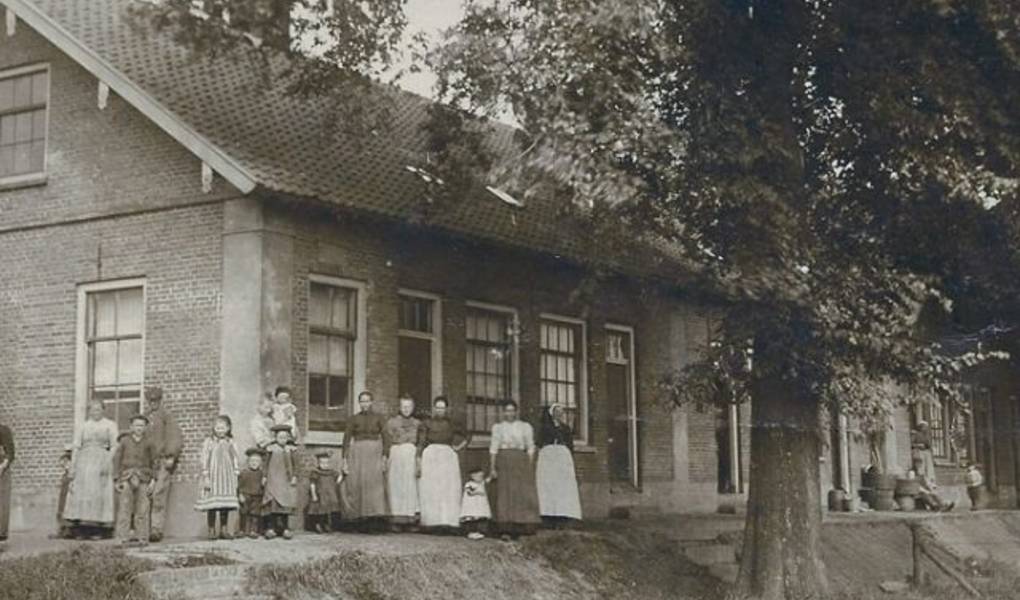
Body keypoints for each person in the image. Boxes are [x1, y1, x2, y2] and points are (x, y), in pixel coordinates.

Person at [64, 399, 118, 538]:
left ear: (103, 410)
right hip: (84, 461)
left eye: (98, 409)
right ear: (89, 411)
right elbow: (76, 446)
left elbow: (113, 446)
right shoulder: (83, 426)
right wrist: (73, 466)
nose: (96, 412)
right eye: (93, 409)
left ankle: (98, 529)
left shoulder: (110, 425)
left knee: (98, 494)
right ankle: (82, 529)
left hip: (101, 459)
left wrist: (107, 461)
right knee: (83, 494)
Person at [489, 400, 540, 540]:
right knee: (505, 492)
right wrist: (492, 467)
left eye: (512, 410)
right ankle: (505, 527)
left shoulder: (525, 427)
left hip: (520, 461)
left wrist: (529, 464)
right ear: (503, 412)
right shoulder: (498, 427)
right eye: (507, 410)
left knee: (520, 493)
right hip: (504, 460)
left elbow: (530, 447)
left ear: (516, 412)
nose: (509, 413)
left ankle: (520, 526)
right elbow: (493, 448)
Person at [417, 396, 469, 531]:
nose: (440, 410)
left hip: (447, 456)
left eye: (442, 408)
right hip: (431, 455)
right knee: (432, 488)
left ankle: (447, 522)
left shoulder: (452, 423)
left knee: (447, 488)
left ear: (446, 409)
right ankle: (431, 523)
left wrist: (458, 447)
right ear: (434, 408)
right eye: (437, 407)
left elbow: (467, 436)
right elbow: (421, 443)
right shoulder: (426, 423)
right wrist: (419, 458)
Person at [341, 391, 389, 530]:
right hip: (358, 454)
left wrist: (385, 456)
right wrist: (344, 459)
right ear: (359, 403)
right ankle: (359, 520)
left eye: (367, 401)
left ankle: (373, 521)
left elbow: (386, 438)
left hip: (375, 453)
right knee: (357, 484)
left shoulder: (379, 418)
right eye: (362, 401)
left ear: (371, 402)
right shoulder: (353, 419)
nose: (365, 404)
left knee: (374, 486)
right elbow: (346, 439)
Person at [145, 386, 183, 543]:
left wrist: (171, 455)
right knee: (145, 493)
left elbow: (174, 436)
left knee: (158, 493)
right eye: (150, 400)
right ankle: (142, 528)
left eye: (156, 400)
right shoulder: (145, 418)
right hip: (146, 462)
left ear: (161, 400)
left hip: (161, 460)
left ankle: (156, 528)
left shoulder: (167, 416)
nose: (153, 403)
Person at [113, 414, 158, 545]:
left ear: (145, 428)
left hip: (144, 478)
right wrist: (117, 479)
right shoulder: (124, 442)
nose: (139, 428)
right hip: (126, 477)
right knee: (124, 508)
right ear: (131, 427)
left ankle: (142, 537)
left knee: (143, 509)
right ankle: (122, 538)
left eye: (142, 425)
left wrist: (153, 480)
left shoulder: (150, 442)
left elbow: (155, 462)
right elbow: (117, 460)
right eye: (137, 425)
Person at [194, 415, 241, 540]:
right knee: (212, 504)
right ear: (214, 428)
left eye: (222, 428)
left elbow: (235, 458)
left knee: (224, 504)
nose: (220, 430)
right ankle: (211, 530)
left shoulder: (231, 442)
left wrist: (236, 473)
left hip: (226, 476)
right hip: (213, 476)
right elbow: (204, 458)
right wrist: (206, 475)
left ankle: (224, 529)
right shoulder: (209, 442)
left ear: (228, 428)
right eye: (217, 428)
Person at [536, 403, 583, 525]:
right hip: (548, 457)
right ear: (552, 413)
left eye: (561, 412)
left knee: (562, 486)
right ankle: (548, 516)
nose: (559, 414)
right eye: (557, 412)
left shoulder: (566, 429)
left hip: (562, 457)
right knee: (548, 485)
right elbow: (539, 443)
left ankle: (563, 516)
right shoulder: (545, 427)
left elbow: (570, 446)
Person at [386, 396, 421, 531]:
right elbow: (387, 440)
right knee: (396, 485)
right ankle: (396, 520)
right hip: (396, 454)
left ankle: (410, 520)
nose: (406, 409)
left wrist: (418, 458)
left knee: (410, 486)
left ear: (413, 408)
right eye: (404, 406)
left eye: (409, 406)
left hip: (410, 455)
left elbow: (420, 442)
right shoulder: (392, 422)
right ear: (399, 407)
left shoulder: (418, 423)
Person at [263, 425, 298, 539]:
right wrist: (264, 476)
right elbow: (266, 464)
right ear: (276, 437)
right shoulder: (271, 449)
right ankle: (271, 528)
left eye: (284, 437)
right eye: (280, 437)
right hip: (273, 479)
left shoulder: (291, 450)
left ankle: (285, 528)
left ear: (288, 438)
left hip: (286, 481)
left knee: (285, 505)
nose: (282, 439)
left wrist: (295, 476)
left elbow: (295, 464)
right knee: (273, 505)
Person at [307, 451, 342, 533]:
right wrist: (314, 495)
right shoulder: (316, 473)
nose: (325, 465)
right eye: (323, 463)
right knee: (320, 511)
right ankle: (318, 524)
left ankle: (326, 524)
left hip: (329, 495)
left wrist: (342, 475)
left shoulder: (332, 472)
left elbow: (338, 480)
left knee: (328, 511)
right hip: (320, 495)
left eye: (327, 463)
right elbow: (312, 484)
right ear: (318, 463)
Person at [237, 448, 266, 539]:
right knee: (243, 512)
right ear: (248, 462)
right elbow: (239, 485)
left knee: (255, 513)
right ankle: (242, 530)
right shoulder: (244, 473)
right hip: (246, 495)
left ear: (260, 463)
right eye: (252, 461)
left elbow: (264, 486)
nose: (254, 463)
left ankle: (253, 530)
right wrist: (240, 494)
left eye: (257, 461)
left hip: (257, 496)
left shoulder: (261, 474)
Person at [460, 468, 492, 540]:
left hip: (480, 505)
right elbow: (469, 492)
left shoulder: (482, 483)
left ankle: (479, 532)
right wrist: (478, 492)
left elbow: (488, 480)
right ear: (472, 476)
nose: (481, 478)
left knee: (481, 517)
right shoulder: (469, 484)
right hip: (472, 505)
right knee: (471, 518)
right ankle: (471, 532)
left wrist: (492, 474)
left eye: (482, 476)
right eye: (479, 476)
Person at [54, 445, 74, 539]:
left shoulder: (75, 463)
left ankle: (68, 530)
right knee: (62, 507)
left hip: (71, 485)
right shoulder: (65, 462)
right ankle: (62, 529)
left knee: (68, 507)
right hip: (66, 484)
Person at [0, 419, 14, 543]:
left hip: (1, 470)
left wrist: (2, 467)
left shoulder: (4, 430)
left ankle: (1, 535)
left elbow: (10, 453)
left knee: (2, 502)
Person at [911, 420, 936, 486]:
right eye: (924, 427)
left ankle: (931, 482)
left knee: (929, 468)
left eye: (926, 427)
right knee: (921, 468)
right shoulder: (915, 434)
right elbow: (911, 444)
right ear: (921, 427)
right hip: (919, 452)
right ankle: (923, 482)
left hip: (926, 452)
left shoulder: (926, 435)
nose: (926, 428)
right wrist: (918, 445)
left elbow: (928, 444)